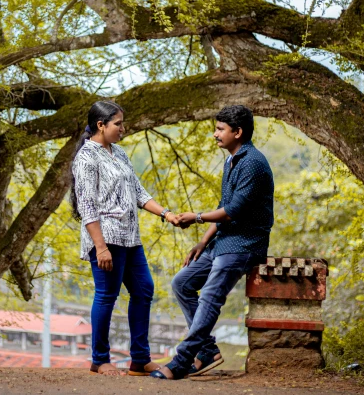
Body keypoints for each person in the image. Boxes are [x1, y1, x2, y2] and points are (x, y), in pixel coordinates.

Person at [150, 105, 274, 380]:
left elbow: (233, 211)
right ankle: (207, 350)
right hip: (223, 241)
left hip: (245, 244)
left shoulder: (253, 163)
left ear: (237, 132)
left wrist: (195, 217)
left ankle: (182, 361)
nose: (215, 134)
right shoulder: (233, 160)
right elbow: (224, 207)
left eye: (220, 129)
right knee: (182, 283)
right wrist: (202, 242)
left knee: (209, 296)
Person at [70, 100, 178, 376]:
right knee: (107, 296)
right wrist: (101, 247)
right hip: (106, 239)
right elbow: (87, 205)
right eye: (117, 124)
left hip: (130, 238)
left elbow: (138, 192)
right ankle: (99, 360)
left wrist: (166, 214)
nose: (122, 128)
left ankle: (140, 359)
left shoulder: (118, 153)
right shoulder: (86, 158)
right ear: (101, 125)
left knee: (144, 290)